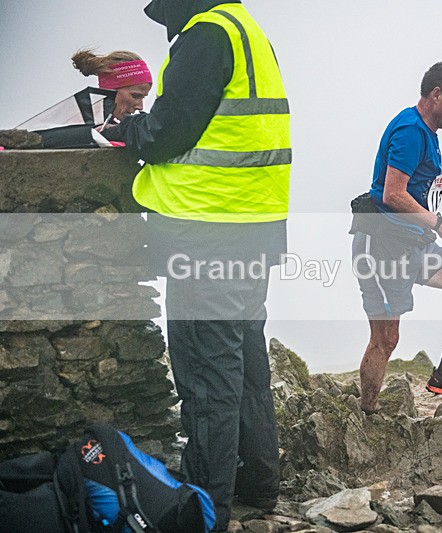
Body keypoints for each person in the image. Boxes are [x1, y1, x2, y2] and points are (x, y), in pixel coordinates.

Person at [116, 1, 290, 530]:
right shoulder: (246, 31)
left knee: (208, 369)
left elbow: (171, 131)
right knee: (246, 363)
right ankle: (259, 484)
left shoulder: (205, 35)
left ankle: (204, 507)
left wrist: (130, 128)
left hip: (207, 232)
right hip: (254, 226)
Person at [352, 60, 442, 414]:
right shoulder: (411, 131)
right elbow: (391, 193)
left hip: (414, 243)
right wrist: (438, 224)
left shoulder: (428, 133)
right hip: (383, 245)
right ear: (436, 94)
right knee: (386, 338)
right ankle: (367, 413)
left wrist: (428, 228)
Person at [71, 49, 152, 123]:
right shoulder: (77, 126)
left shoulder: (115, 129)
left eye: (143, 97)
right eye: (135, 96)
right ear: (110, 91)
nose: (140, 107)